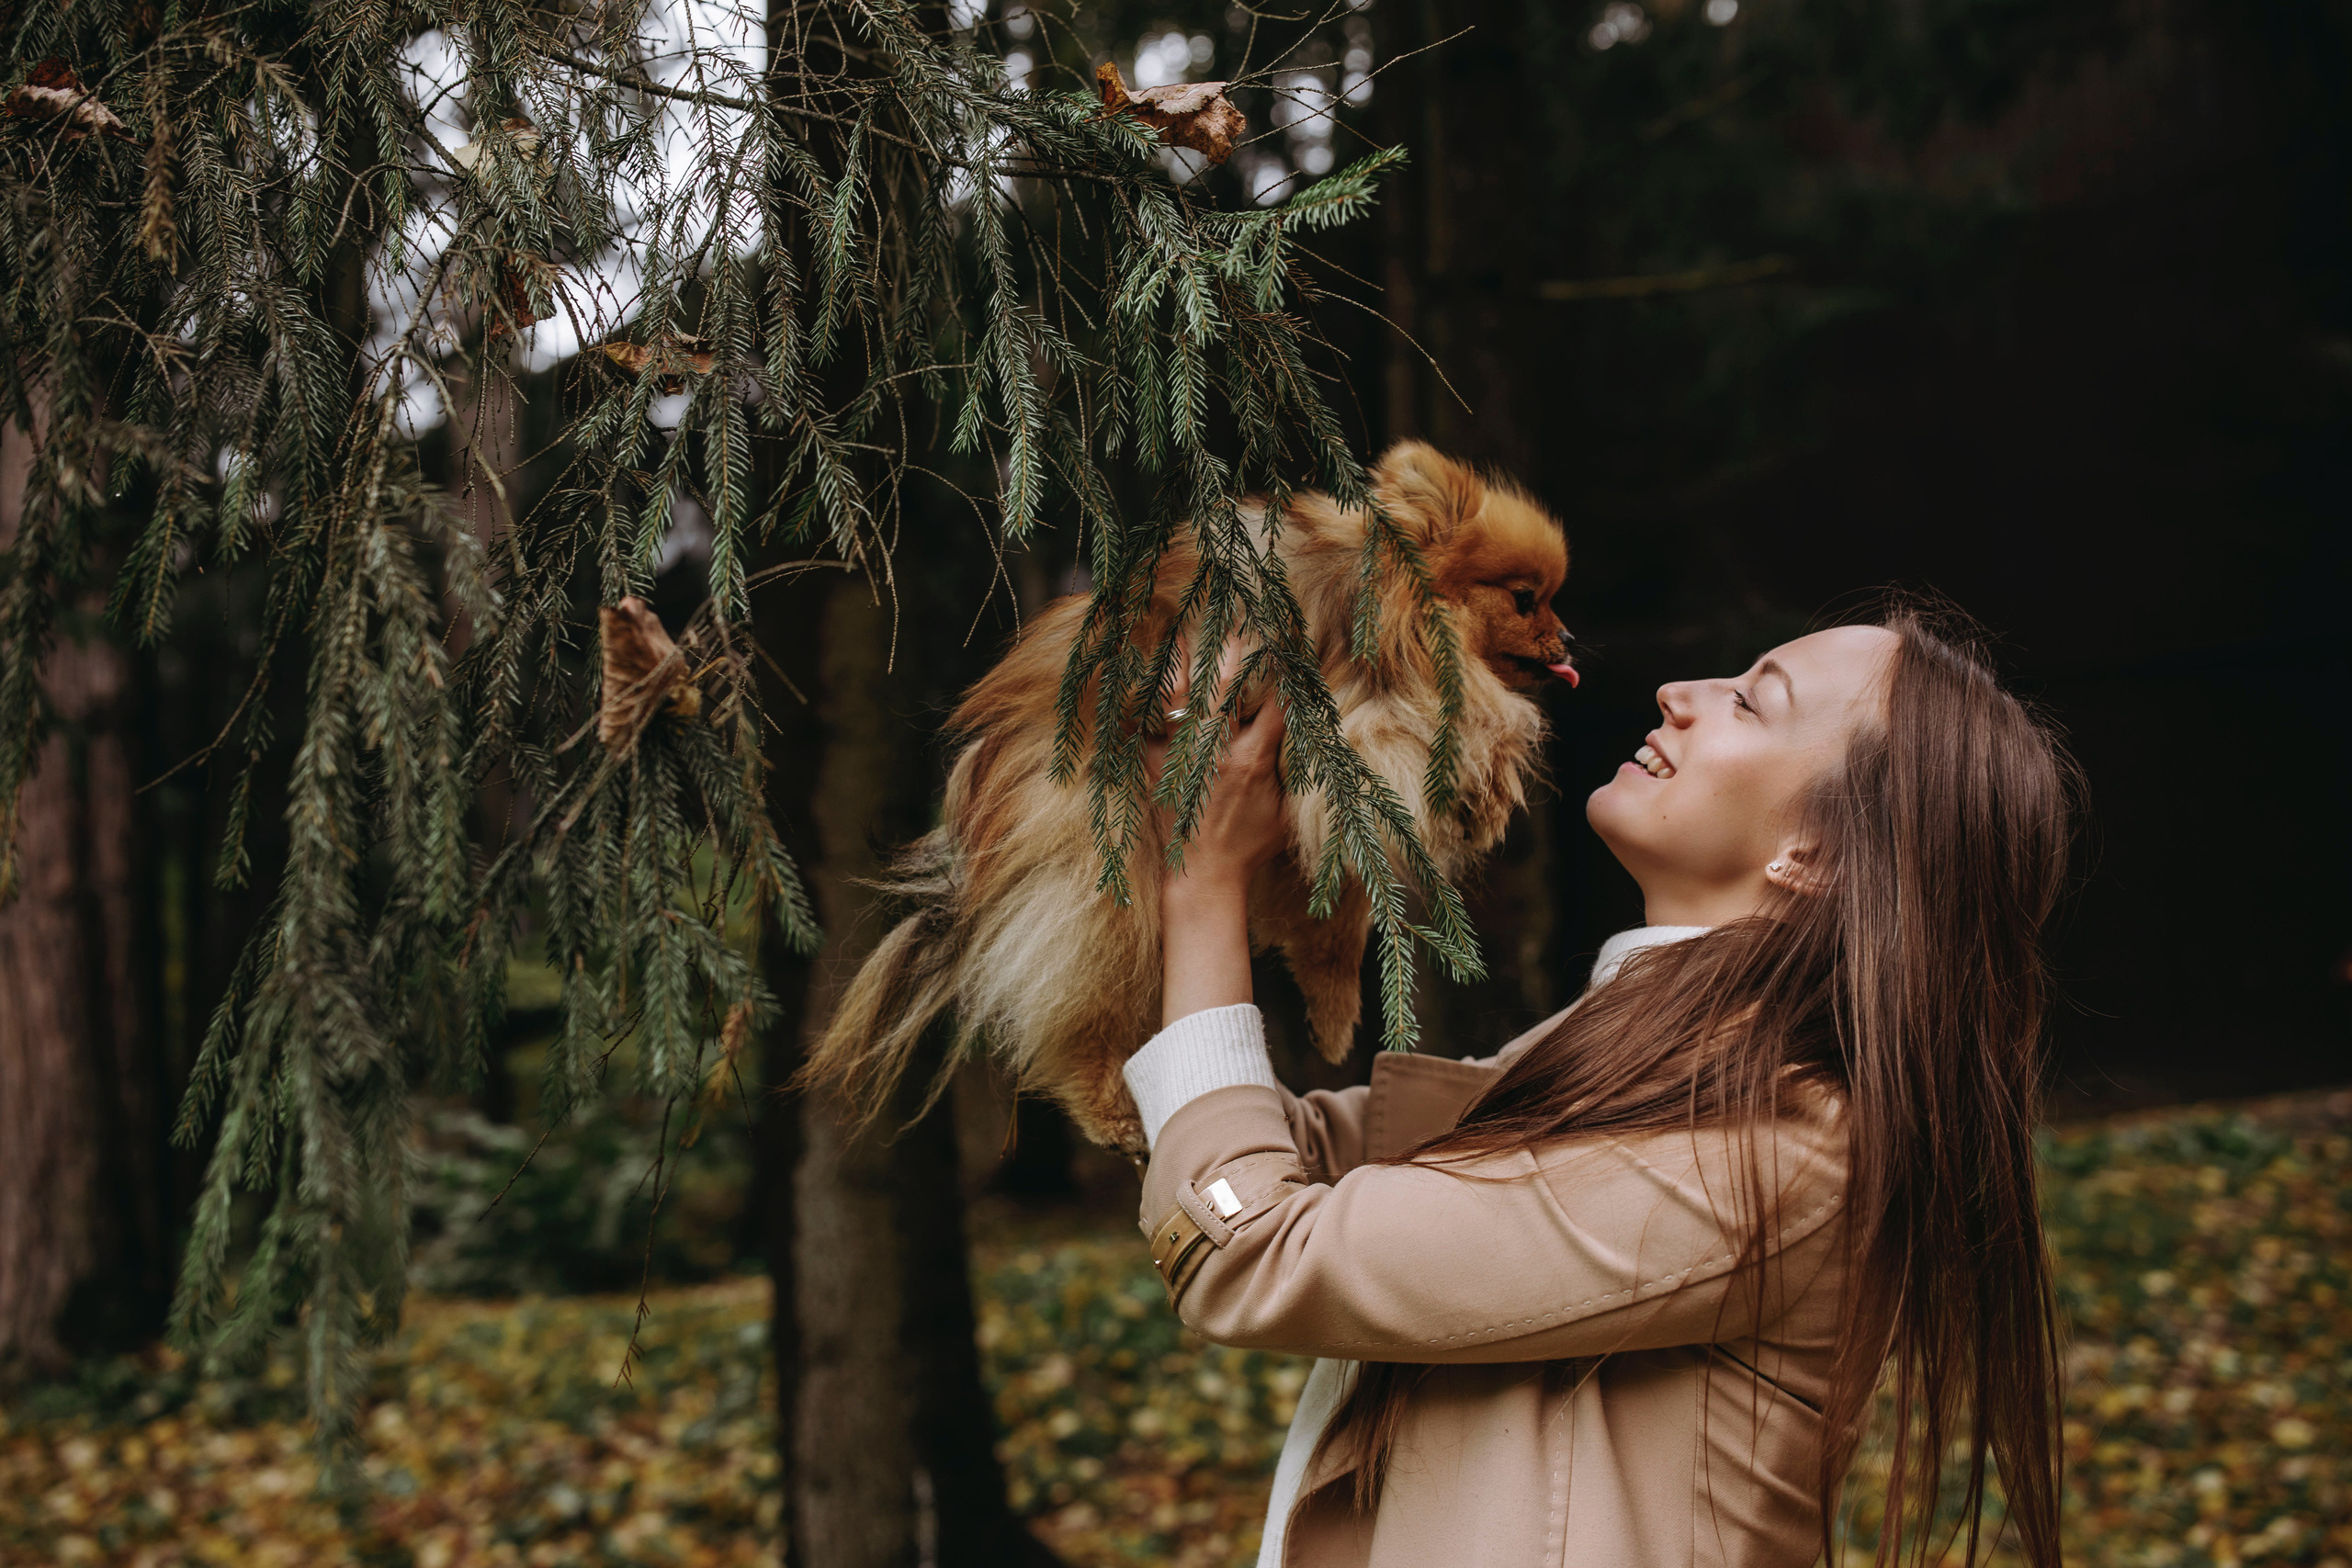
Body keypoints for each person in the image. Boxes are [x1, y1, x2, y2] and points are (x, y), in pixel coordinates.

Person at [1125, 601, 2075, 1568]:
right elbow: (1269, 1142)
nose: (1681, 695)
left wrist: (1200, 880)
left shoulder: (1768, 1143)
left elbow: (1252, 1249)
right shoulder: (1644, 1052)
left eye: (1753, 703)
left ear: (1816, 857)